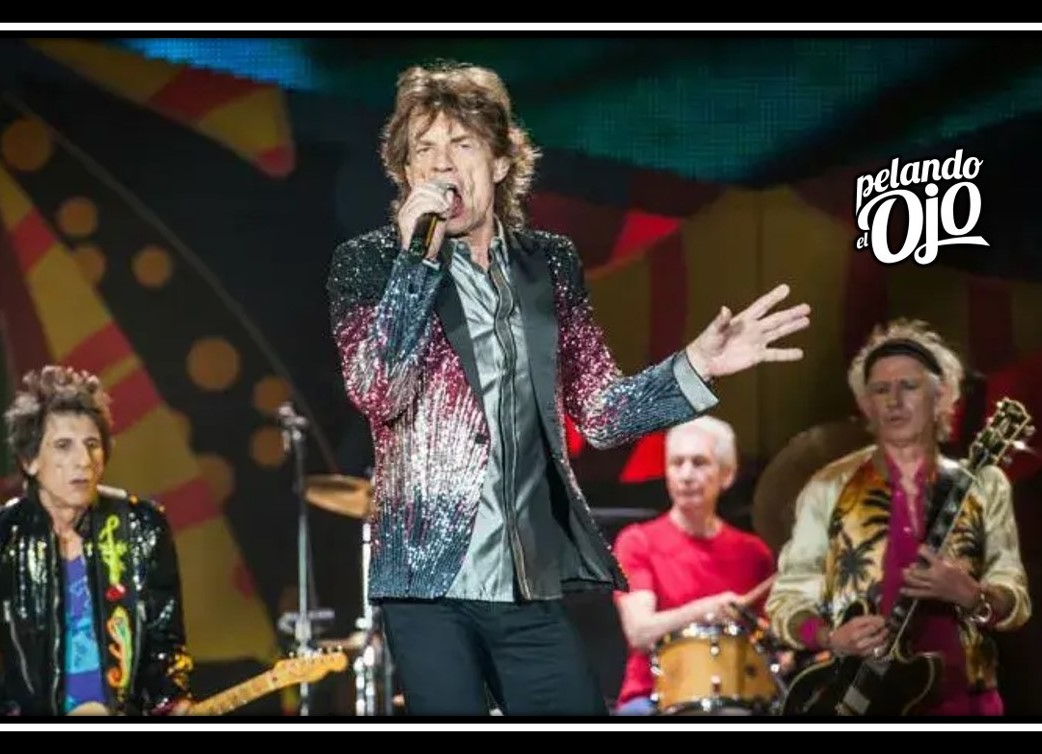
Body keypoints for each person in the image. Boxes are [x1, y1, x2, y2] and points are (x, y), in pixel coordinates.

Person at [326, 60, 811, 716]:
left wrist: (696, 365)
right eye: (423, 150)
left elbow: (601, 413)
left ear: (500, 161)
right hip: (425, 583)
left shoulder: (548, 263)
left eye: (461, 144)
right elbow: (377, 390)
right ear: (407, 173)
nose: (441, 164)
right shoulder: (370, 263)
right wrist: (416, 264)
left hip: (526, 579)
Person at [764, 319, 1031, 716]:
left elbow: (1015, 597)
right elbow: (787, 600)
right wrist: (830, 637)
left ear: (942, 395)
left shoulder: (984, 484)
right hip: (863, 703)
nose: (893, 400)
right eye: (880, 389)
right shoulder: (828, 487)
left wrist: (972, 595)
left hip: (967, 705)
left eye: (909, 386)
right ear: (865, 404)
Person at [0, 365, 194, 716]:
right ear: (30, 460)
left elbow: (165, 645)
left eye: (92, 445)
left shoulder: (143, 527)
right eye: (63, 446)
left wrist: (171, 702)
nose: (83, 461)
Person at [610, 416, 777, 715]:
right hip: (650, 697)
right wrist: (707, 610)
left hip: (737, 695)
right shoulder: (637, 542)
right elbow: (639, 632)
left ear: (727, 474)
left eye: (699, 463)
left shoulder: (755, 553)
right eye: (677, 463)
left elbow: (772, 639)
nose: (686, 475)